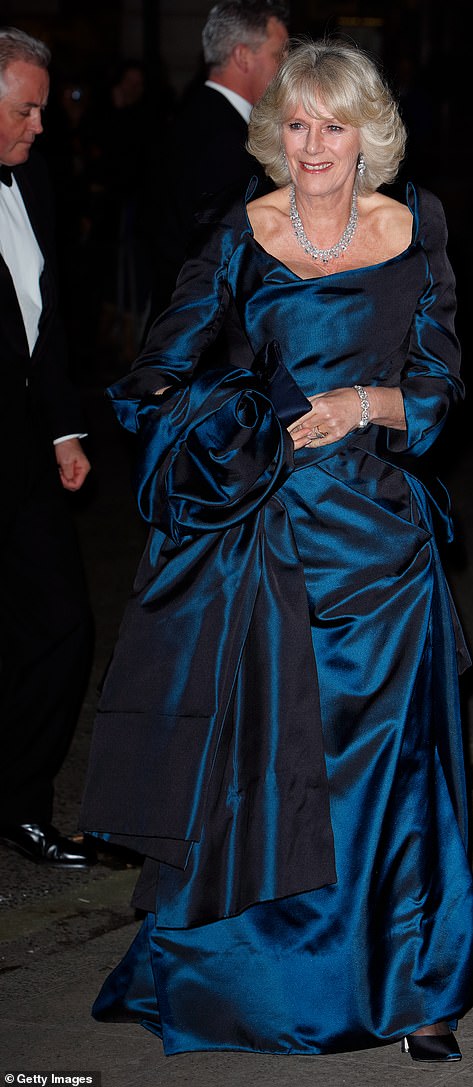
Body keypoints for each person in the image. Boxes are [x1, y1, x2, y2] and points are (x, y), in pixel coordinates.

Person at [80, 38, 473, 1060]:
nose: (312, 145)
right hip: (269, 546)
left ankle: (417, 987)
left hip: (384, 549)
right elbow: (154, 375)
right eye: (296, 124)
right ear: (276, 132)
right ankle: (265, 984)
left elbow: (442, 391)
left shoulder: (415, 225)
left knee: (397, 776)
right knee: (269, 771)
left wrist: (362, 400)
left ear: (366, 136)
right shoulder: (240, 233)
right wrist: (239, 408)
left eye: (333, 125)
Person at [0, 27, 94, 867]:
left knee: (62, 624)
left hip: (26, 447)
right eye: (25, 107)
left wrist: (65, 425)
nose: (41, 123)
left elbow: (46, 317)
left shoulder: (30, 178)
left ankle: (21, 800)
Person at [147, 0, 289, 323]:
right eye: (278, 54)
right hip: (203, 330)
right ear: (243, 56)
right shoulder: (220, 136)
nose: (285, 66)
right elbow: (223, 254)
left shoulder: (200, 114)